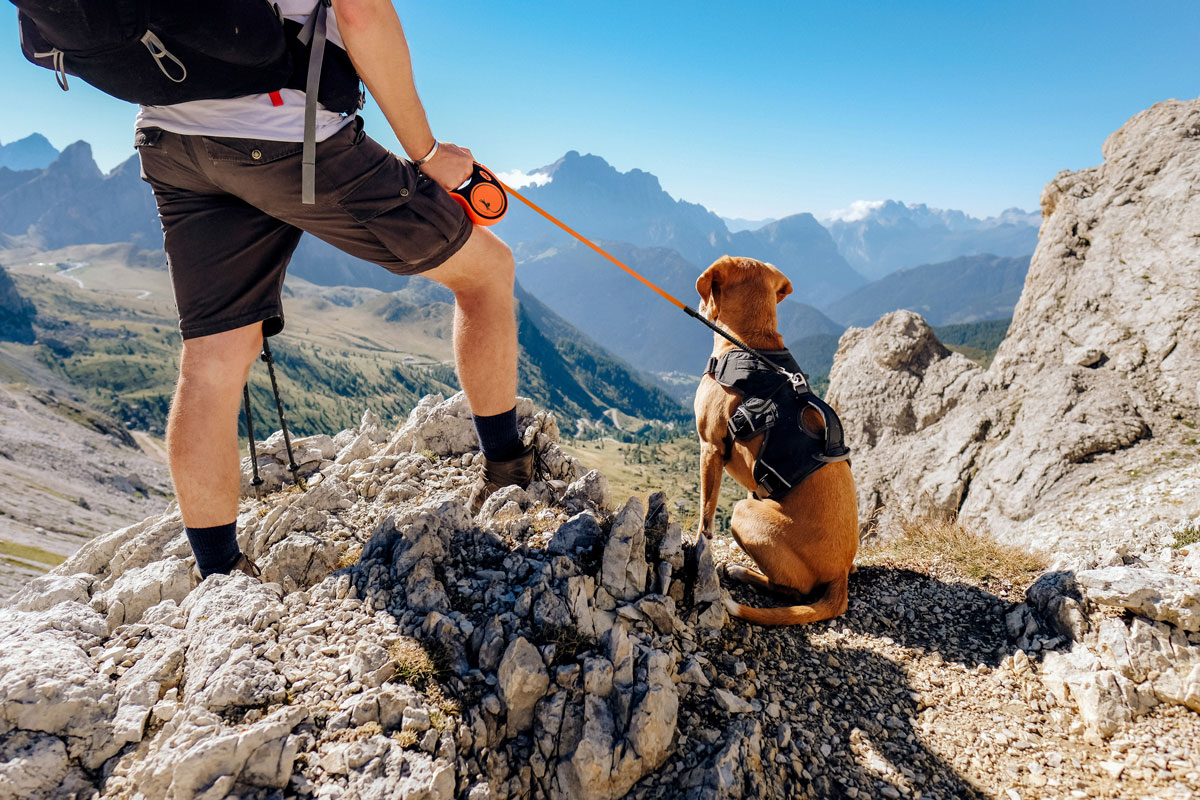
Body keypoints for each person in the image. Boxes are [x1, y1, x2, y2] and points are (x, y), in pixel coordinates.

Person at [135, 0, 533, 580]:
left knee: (212, 360)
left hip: (170, 141)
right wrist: (427, 155)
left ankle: (220, 576)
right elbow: (361, 12)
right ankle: (509, 473)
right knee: (487, 272)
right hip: (291, 138)